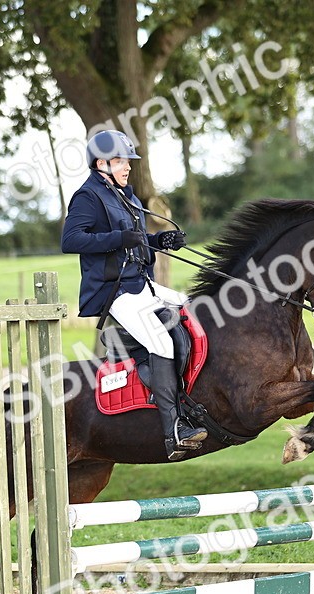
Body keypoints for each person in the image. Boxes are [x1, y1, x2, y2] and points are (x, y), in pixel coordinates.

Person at [60, 129, 207, 461]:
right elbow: (71, 241)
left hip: (143, 285)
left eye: (127, 161)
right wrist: (117, 238)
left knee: (196, 310)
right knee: (161, 342)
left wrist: (160, 242)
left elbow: (135, 239)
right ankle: (174, 430)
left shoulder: (127, 196)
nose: (127, 167)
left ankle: (132, 352)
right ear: (101, 163)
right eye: (120, 161)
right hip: (116, 292)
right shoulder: (88, 196)